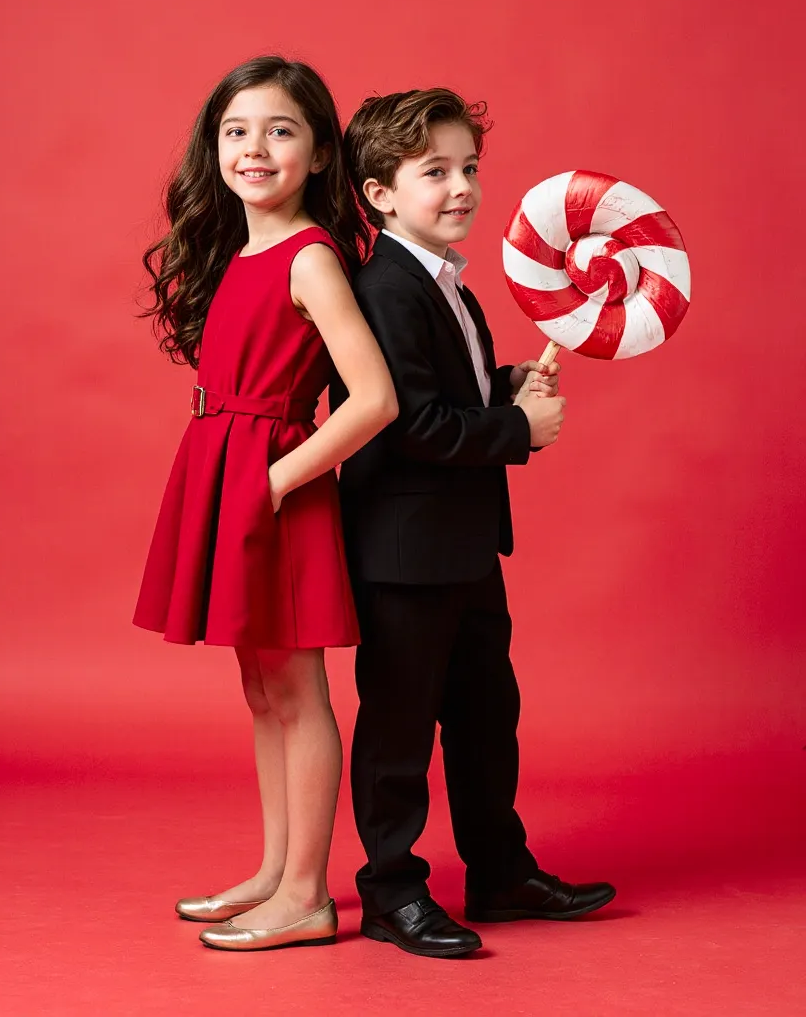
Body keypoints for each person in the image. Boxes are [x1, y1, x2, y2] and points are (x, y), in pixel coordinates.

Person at [331, 88, 615, 958]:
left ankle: (499, 869)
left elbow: (448, 394)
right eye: (436, 172)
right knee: (401, 725)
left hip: (462, 545)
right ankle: (390, 890)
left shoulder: (446, 280)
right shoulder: (385, 286)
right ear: (379, 193)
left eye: (469, 169)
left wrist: (504, 384)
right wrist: (516, 430)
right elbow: (409, 422)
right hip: (404, 550)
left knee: (489, 712)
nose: (461, 188)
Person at [134, 56, 398, 953]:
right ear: (215, 148)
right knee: (261, 687)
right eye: (237, 131)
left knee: (296, 686)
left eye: (280, 131)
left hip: (273, 483)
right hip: (227, 471)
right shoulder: (241, 250)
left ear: (320, 153)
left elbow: (373, 399)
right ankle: (275, 868)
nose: (254, 148)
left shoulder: (310, 257)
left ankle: (306, 894)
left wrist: (280, 481)